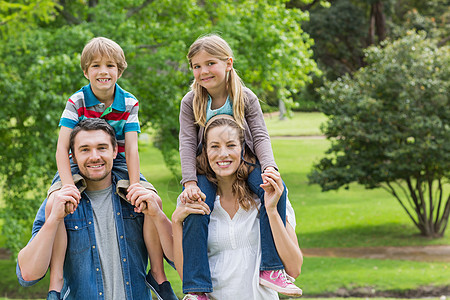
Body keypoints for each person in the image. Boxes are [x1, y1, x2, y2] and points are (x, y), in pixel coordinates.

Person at [45, 37, 176, 299]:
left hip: (117, 160)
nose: (103, 71)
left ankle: (159, 276)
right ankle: (56, 281)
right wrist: (68, 183)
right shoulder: (77, 101)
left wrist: (136, 184)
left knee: (150, 200)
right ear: (86, 71)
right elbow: (62, 148)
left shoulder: (129, 103)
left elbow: (132, 148)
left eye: (110, 66)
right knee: (54, 205)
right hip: (77, 161)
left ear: (120, 70)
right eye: (95, 66)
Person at [178, 34, 300, 297]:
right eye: (196, 66)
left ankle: (271, 268)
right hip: (206, 170)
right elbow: (187, 142)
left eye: (210, 63)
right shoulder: (191, 101)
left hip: (246, 162)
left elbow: (260, 135)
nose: (203, 71)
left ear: (228, 63)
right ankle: (196, 288)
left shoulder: (245, 97)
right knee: (197, 209)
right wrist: (189, 181)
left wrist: (270, 168)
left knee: (276, 191)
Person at [17, 118, 177, 299]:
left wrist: (158, 215)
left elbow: (181, 263)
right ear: (73, 156)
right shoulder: (59, 202)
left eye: (102, 148)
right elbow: (28, 274)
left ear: (115, 151)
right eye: (85, 149)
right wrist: (53, 220)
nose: (94, 156)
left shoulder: (138, 199)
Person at [173, 115, 303, 299]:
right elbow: (184, 273)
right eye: (215, 146)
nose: (223, 153)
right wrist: (177, 222)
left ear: (243, 149)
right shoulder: (195, 200)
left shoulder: (267, 197)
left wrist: (272, 211)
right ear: (205, 152)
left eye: (231, 145)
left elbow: (294, 268)